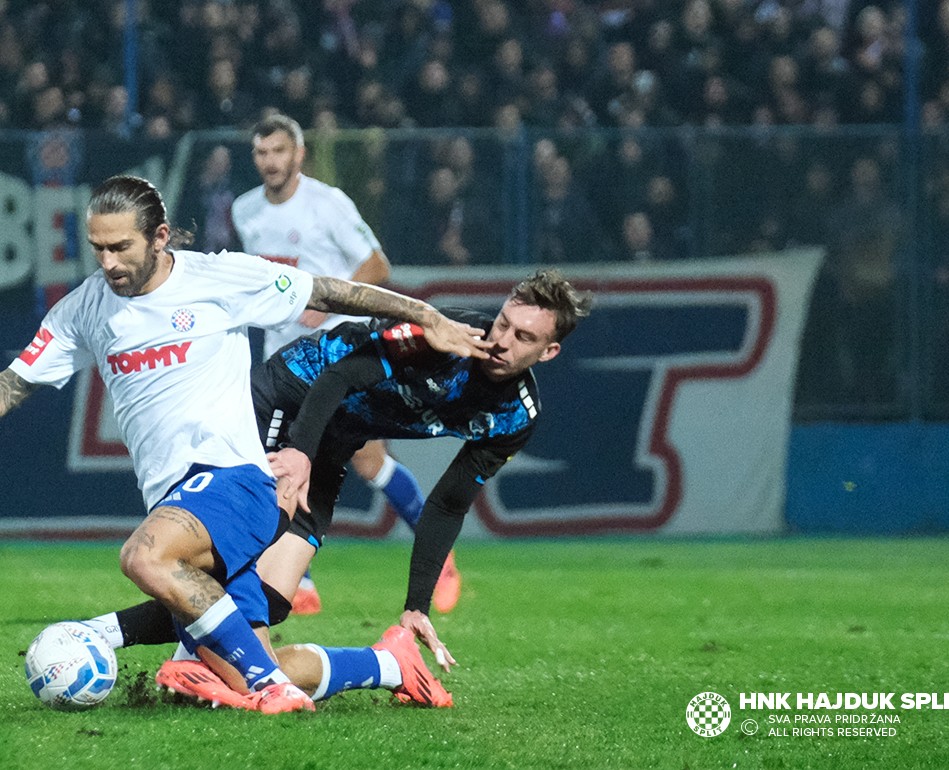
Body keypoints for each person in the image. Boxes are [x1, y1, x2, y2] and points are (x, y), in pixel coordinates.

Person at [0, 175, 488, 714]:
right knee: (244, 664)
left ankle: (267, 691)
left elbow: (329, 290)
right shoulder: (85, 308)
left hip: (234, 481)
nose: (109, 262)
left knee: (143, 557)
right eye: (98, 248)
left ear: (160, 237)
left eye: (121, 247)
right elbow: (17, 380)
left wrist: (422, 314)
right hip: (176, 499)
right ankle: (391, 664)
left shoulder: (220, 277)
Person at [84, 269, 593, 708]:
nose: (502, 339)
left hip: (334, 439)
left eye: (524, 337)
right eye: (504, 322)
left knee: (275, 598)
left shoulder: (515, 418)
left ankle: (385, 662)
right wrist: (299, 453)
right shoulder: (443, 339)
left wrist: (416, 604)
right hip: (291, 397)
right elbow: (340, 376)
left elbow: (448, 503)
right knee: (232, 570)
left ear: (548, 352)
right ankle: (138, 646)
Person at [231, 113, 458, 616]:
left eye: (278, 152)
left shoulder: (326, 204)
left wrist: (326, 304)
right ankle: (299, 579)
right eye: (261, 153)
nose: (270, 162)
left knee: (367, 460)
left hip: (337, 354)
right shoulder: (245, 210)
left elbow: (377, 266)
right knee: (276, 465)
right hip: (279, 362)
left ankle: (436, 550)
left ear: (299, 154)